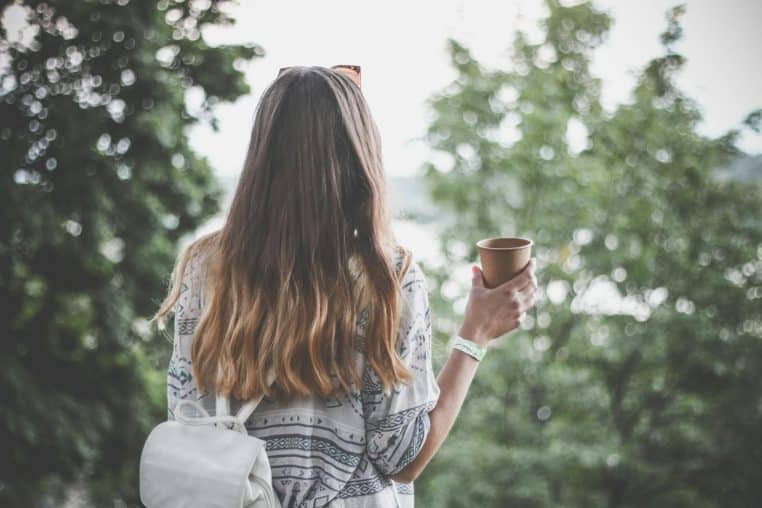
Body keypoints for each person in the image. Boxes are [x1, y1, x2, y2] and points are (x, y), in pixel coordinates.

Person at [150, 65, 538, 508]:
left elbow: (187, 420)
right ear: (360, 159)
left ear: (261, 155)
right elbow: (402, 457)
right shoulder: (384, 278)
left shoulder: (206, 269)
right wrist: (476, 334)